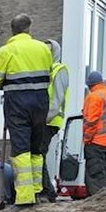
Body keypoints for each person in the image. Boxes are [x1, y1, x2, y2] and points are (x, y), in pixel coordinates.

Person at [0, 14, 53, 207]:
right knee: (36, 148)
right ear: (29, 29)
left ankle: (25, 197)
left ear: (12, 30)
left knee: (21, 148)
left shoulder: (6, 51)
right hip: (41, 102)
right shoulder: (43, 49)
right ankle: (38, 191)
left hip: (17, 103)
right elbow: (47, 73)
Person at [81, 71, 106, 195]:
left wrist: (87, 139)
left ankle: (96, 201)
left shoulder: (93, 97)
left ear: (89, 85)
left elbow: (91, 121)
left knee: (94, 174)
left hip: (96, 141)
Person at [40, 39, 69, 202]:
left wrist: (44, 118)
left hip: (50, 120)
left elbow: (56, 101)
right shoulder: (46, 70)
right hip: (45, 119)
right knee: (38, 153)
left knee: (39, 153)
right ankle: (46, 190)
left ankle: (47, 191)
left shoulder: (59, 70)